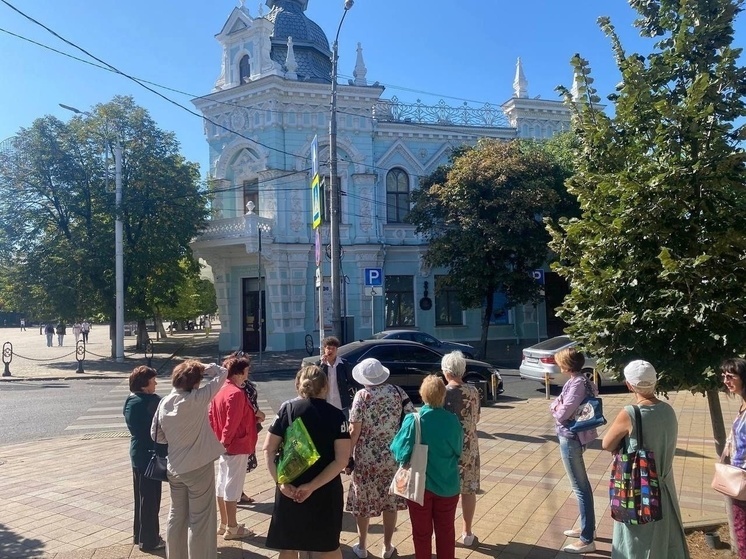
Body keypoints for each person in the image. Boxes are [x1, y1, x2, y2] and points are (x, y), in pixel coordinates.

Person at [602, 360, 690, 558]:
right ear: (654, 382)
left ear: (629, 385)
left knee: (636, 543)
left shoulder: (630, 413)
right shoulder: (668, 410)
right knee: (664, 541)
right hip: (665, 488)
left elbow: (606, 444)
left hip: (640, 491)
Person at [263, 365, 351, 558]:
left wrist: (281, 483)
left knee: (288, 546)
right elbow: (342, 459)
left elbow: (268, 449)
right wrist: (312, 486)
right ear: (325, 387)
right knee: (328, 546)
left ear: (299, 385)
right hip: (325, 489)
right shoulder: (337, 416)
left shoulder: (287, 410)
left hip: (290, 489)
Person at [151, 360, 228, 559]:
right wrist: (206, 366)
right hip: (198, 467)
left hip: (174, 466)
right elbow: (223, 373)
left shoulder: (164, 402)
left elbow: (156, 435)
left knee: (176, 516)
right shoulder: (197, 398)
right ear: (195, 383)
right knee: (200, 519)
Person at [346, 358, 416, 559]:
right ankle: (387, 546)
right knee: (390, 500)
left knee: (363, 500)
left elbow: (354, 430)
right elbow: (411, 417)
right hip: (392, 455)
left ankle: (362, 545)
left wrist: (347, 457)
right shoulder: (397, 392)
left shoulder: (362, 395)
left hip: (366, 457)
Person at [391, 375, 462, 559]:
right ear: (443, 395)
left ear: (423, 395)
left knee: (421, 534)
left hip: (419, 486)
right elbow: (458, 450)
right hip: (448, 484)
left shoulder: (413, 420)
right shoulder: (452, 420)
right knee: (446, 533)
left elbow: (399, 452)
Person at [550, 347, 598, 554]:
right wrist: (557, 405)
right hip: (575, 436)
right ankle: (587, 528)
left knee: (580, 487)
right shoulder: (581, 380)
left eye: (560, 361)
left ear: (566, 365)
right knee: (581, 485)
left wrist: (556, 408)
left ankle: (587, 539)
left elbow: (562, 412)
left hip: (571, 437)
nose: (558, 364)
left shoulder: (577, 383)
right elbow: (559, 404)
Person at [208, 354, 258, 540]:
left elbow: (213, 417)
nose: (247, 374)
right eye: (246, 371)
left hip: (224, 444)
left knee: (222, 483)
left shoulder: (220, 390)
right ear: (239, 373)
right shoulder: (236, 393)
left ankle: (224, 523)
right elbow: (232, 422)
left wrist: (218, 442)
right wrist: (225, 442)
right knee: (232, 485)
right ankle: (232, 526)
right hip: (236, 444)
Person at [123, 366, 166, 552]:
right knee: (150, 499)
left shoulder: (130, 401)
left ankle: (139, 534)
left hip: (137, 453)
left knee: (140, 497)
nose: (155, 383)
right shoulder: (153, 402)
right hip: (151, 455)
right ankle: (150, 540)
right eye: (153, 380)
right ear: (144, 384)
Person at [442, 350, 481, 546]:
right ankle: (467, 532)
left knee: (446, 493)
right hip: (470, 446)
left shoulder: (443, 392)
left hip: (447, 447)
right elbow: (477, 418)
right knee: (469, 490)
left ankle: (445, 531)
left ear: (446, 371)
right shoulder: (473, 391)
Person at [721, 358, 746, 558]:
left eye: (731, 376)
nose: (726, 381)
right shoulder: (743, 405)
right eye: (724, 376)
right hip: (738, 480)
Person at [316, 336, 357, 412]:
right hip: (325, 402)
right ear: (324, 349)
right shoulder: (319, 365)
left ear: (337, 350)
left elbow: (351, 380)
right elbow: (318, 380)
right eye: (328, 348)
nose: (330, 351)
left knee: (344, 422)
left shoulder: (343, 364)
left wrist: (348, 389)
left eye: (333, 348)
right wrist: (323, 365)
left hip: (341, 402)